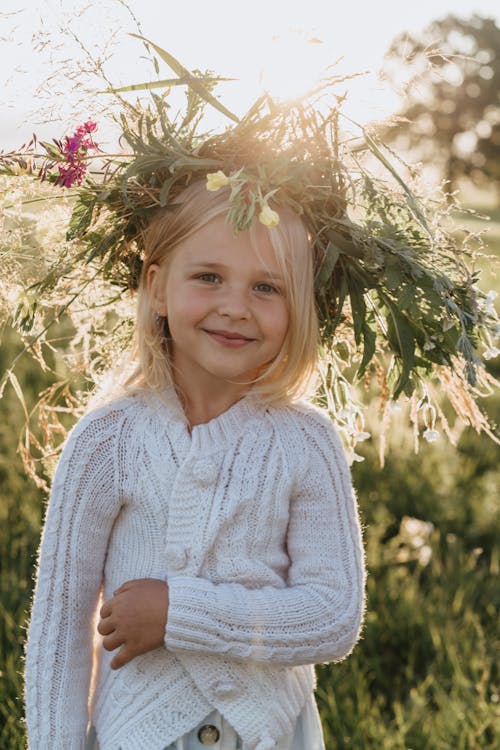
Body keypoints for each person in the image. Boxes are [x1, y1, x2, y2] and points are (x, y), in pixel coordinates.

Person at [24, 178, 366, 750]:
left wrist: (179, 613)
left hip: (271, 731)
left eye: (267, 287)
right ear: (157, 287)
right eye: (208, 277)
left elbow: (332, 616)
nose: (235, 307)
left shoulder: (307, 442)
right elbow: (59, 629)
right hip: (140, 732)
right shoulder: (107, 441)